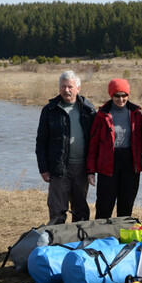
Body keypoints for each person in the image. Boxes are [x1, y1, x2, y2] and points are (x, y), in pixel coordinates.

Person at [35, 70, 96, 224]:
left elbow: (96, 141)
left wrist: (93, 168)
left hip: (82, 168)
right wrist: (43, 168)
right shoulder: (50, 110)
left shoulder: (89, 109)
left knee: (81, 210)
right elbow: (41, 142)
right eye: (63, 86)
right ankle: (56, 243)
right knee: (57, 210)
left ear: (78, 88)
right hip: (59, 167)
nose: (66, 90)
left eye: (70, 86)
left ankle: (78, 243)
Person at [87, 79, 142, 219]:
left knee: (126, 205)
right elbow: (93, 144)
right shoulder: (102, 115)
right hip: (107, 164)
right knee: (104, 205)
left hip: (130, 164)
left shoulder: (136, 114)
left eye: (124, 95)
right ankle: (100, 236)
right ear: (111, 95)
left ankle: (122, 238)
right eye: (117, 95)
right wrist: (90, 170)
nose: (121, 99)